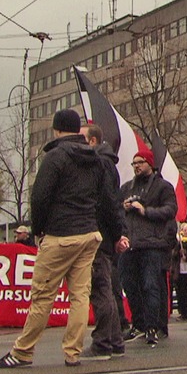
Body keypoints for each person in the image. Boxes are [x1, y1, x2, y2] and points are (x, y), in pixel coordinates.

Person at [0, 109, 121, 369]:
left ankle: (22, 352)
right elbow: (108, 200)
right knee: (80, 297)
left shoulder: (55, 157)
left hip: (60, 234)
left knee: (42, 296)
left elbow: (40, 197)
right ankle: (72, 352)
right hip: (89, 234)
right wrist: (117, 233)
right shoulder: (96, 160)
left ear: (57, 130)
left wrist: (38, 230)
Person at [79, 122, 129, 361]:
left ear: (93, 141)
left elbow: (109, 202)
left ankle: (103, 342)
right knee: (105, 288)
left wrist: (119, 232)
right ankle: (115, 340)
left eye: (81, 138)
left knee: (101, 289)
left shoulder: (101, 164)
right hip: (105, 234)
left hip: (99, 235)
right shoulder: (106, 163)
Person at [118, 147, 178, 345]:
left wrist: (145, 211)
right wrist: (124, 208)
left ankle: (153, 326)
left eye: (140, 162)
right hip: (130, 243)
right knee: (130, 285)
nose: (136, 166)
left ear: (150, 164)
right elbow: (115, 210)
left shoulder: (162, 187)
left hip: (153, 244)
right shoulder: (126, 188)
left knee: (150, 285)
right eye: (134, 163)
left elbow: (170, 210)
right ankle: (139, 323)